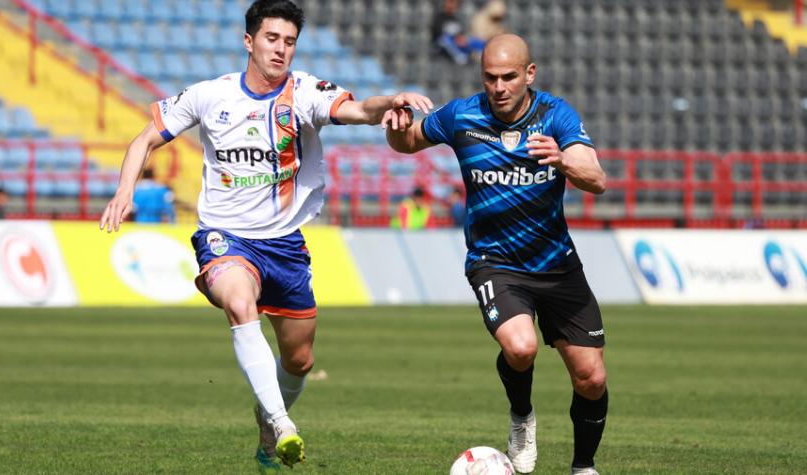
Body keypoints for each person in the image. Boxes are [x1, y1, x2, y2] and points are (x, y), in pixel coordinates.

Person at [99, 1, 432, 472]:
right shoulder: (209, 95)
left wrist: (388, 103)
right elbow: (144, 140)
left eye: (289, 42)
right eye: (272, 39)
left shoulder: (305, 92)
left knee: (299, 358)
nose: (281, 49)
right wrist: (124, 191)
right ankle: (282, 424)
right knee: (239, 302)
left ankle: (265, 416)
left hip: (285, 244)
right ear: (249, 41)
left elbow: (357, 110)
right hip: (225, 237)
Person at [384, 34, 608, 475]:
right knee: (521, 347)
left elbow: (596, 178)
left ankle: (583, 467)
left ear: (530, 74)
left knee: (592, 377)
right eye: (490, 77)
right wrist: (394, 128)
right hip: (496, 261)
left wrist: (562, 161)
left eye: (509, 77)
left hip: (557, 264)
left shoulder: (555, 115)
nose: (499, 86)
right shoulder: (461, 115)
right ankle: (522, 416)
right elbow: (407, 143)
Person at [431, 0, 485, 65]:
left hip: (457, 42)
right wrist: (454, 38)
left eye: (454, 4)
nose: (452, 6)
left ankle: (481, 55)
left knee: (475, 41)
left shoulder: (456, 19)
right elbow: (438, 34)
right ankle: (459, 56)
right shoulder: (439, 18)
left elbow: (460, 33)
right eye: (450, 3)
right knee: (446, 40)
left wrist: (461, 39)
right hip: (443, 43)